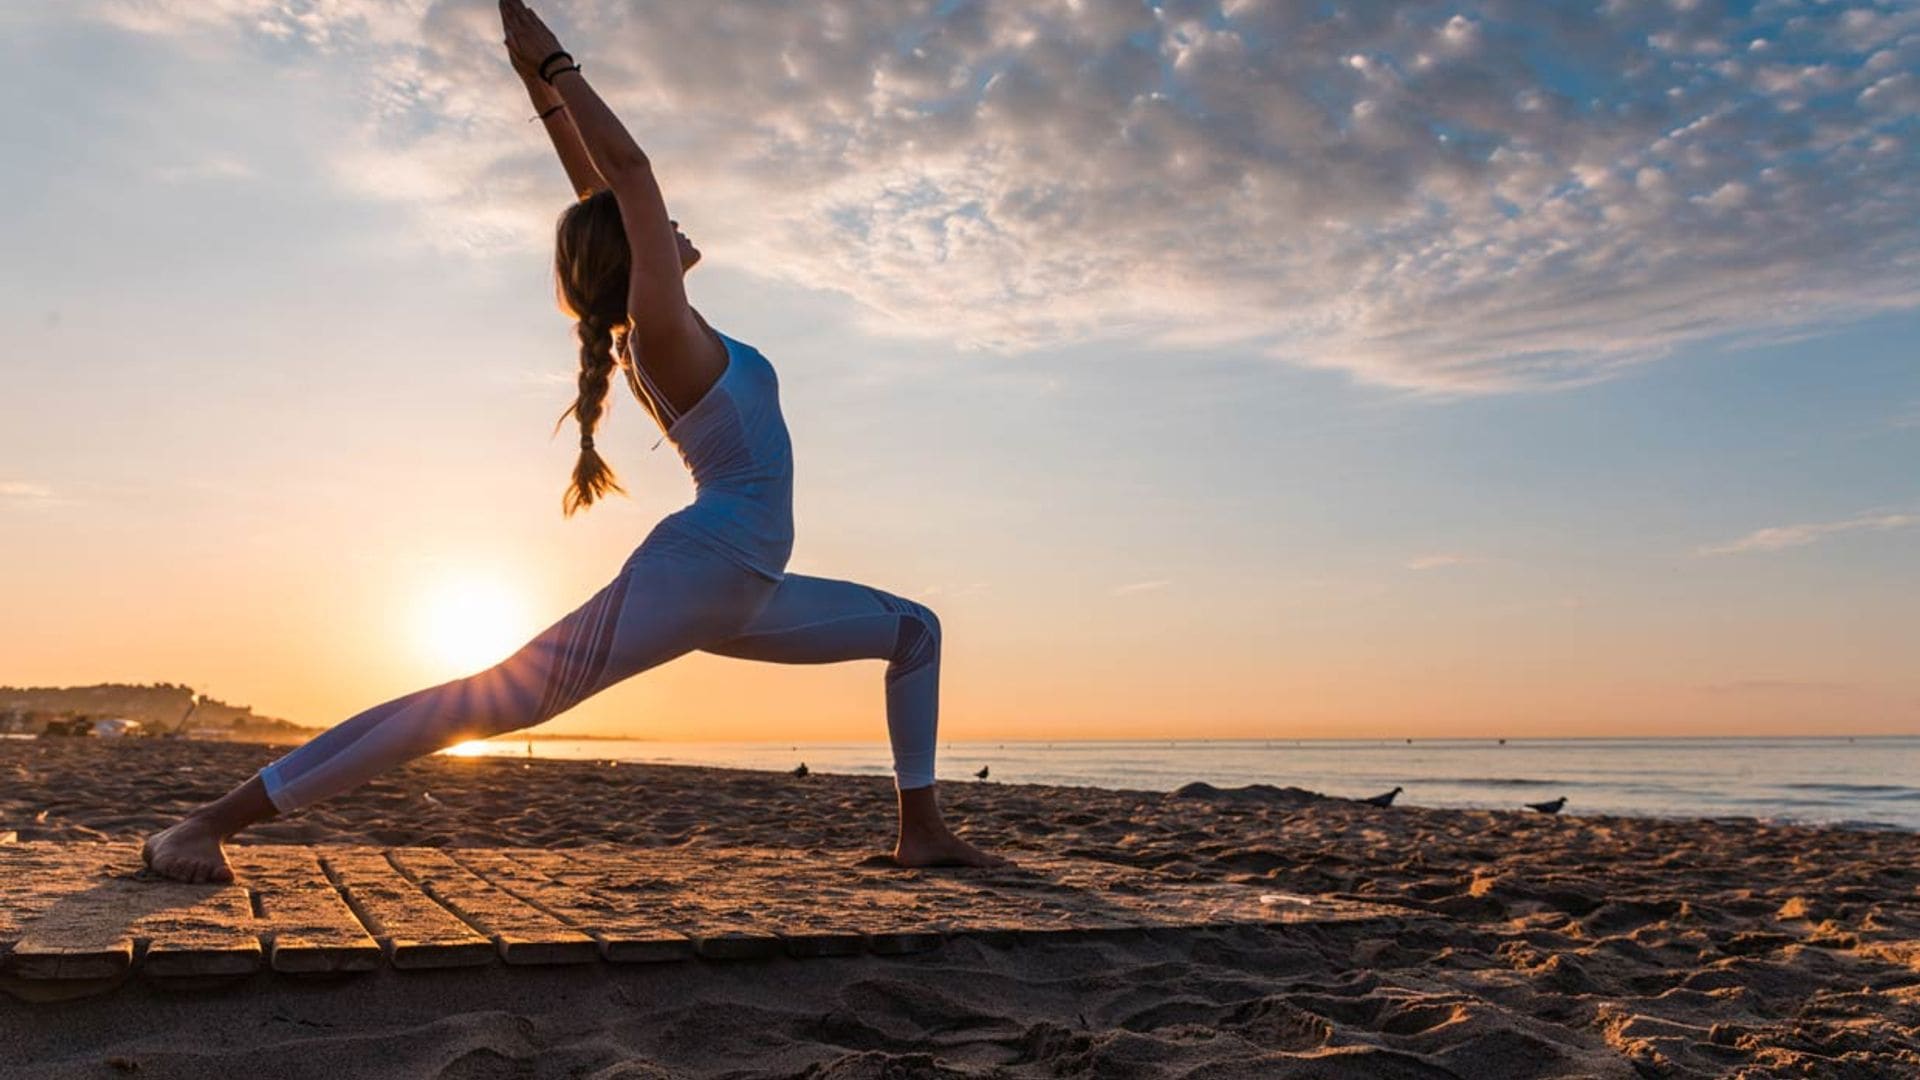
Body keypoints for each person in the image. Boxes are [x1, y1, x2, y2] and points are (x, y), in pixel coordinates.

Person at [140, 0, 1006, 883]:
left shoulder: (676, 324)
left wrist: (541, 99)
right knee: (478, 704)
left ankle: (922, 830)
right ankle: (210, 821)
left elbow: (599, 188)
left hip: (748, 587)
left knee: (914, 631)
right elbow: (628, 173)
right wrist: (558, 63)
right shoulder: (658, 330)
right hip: (699, 572)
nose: (673, 227)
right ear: (636, 253)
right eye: (653, 228)